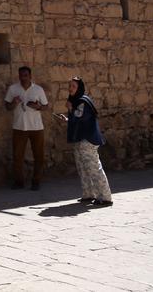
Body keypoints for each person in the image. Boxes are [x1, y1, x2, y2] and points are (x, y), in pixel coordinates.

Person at [54, 77, 112, 207]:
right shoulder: (77, 102)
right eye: (69, 86)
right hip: (80, 140)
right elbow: (78, 120)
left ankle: (105, 196)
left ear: (79, 88)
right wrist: (68, 119)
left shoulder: (83, 101)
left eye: (73, 86)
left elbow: (81, 118)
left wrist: (70, 110)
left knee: (93, 168)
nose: (70, 89)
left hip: (88, 140)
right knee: (83, 168)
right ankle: (89, 194)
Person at [4, 66, 49, 190]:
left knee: (39, 156)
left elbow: (46, 106)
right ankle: (19, 181)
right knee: (18, 156)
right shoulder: (13, 89)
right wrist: (14, 102)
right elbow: (7, 107)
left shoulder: (38, 89)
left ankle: (36, 181)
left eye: (25, 75)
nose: (23, 78)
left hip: (36, 128)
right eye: (21, 75)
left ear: (30, 76)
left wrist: (37, 106)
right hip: (19, 127)